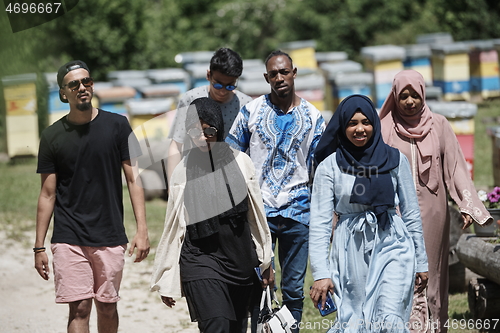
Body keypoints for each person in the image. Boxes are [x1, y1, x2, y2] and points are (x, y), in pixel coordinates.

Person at [34, 60, 150, 333]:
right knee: (80, 307)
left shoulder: (119, 126)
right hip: (68, 236)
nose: (82, 87)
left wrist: (142, 229)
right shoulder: (52, 136)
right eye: (74, 84)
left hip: (109, 234)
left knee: (107, 306)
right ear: (64, 93)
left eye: (86, 81)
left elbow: (134, 179)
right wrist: (39, 246)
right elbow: (47, 193)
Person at [379, 70, 493, 333]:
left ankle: (432, 326)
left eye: (415, 95)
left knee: (432, 271)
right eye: (403, 96)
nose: (409, 102)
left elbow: (455, 169)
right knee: (401, 270)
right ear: (395, 97)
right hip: (395, 212)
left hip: (434, 212)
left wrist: (466, 205)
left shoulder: (439, 124)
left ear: (423, 94)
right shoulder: (385, 127)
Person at [150, 97, 274, 333]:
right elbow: (174, 227)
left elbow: (256, 218)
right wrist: (166, 276)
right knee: (216, 325)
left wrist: (266, 261)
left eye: (209, 129)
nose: (203, 136)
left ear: (219, 128)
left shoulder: (242, 163)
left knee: (236, 328)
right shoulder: (182, 171)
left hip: (240, 262)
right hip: (200, 259)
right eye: (195, 130)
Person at [309, 94, 429, 332]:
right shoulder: (329, 167)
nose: (360, 129)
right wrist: (321, 273)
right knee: (356, 323)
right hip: (350, 253)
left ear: (375, 123)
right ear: (342, 127)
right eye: (352, 123)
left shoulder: (396, 160)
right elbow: (320, 224)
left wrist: (421, 260)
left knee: (389, 317)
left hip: (392, 244)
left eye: (366, 121)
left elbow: (411, 212)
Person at [226, 50, 325, 332]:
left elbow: (323, 168)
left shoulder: (313, 117)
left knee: (294, 289)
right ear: (266, 77)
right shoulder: (252, 112)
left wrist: (327, 212)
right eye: (274, 74)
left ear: (294, 73)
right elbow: (231, 156)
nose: (279, 78)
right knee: (259, 283)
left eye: (284, 72)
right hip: (259, 213)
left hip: (299, 213)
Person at [167, 47, 253, 182]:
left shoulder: (246, 105)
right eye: (218, 85)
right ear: (208, 75)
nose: (223, 91)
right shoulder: (191, 99)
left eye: (230, 86)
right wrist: (173, 187)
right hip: (196, 177)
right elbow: (176, 146)